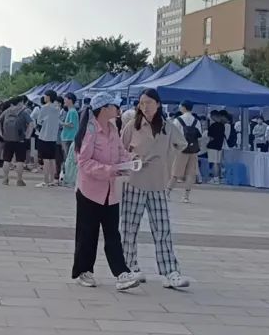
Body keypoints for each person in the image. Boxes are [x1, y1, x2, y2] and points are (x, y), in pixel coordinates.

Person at [119, 89, 190, 289]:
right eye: (142, 103)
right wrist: (132, 158)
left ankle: (170, 271)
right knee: (129, 228)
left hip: (158, 184)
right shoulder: (132, 126)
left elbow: (182, 144)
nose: (145, 107)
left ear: (158, 104)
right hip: (134, 182)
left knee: (162, 228)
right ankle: (130, 267)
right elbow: (120, 149)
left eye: (149, 102)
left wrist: (167, 159)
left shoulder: (168, 127)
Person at [70, 93, 140, 291]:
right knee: (87, 234)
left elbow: (120, 152)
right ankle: (84, 271)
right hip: (89, 191)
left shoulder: (113, 128)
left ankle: (121, 273)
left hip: (111, 191)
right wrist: (109, 170)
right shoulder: (90, 130)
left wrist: (130, 160)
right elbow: (84, 162)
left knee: (112, 233)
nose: (118, 109)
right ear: (103, 109)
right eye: (114, 106)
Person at [170, 101, 202, 204]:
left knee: (175, 173)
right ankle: (186, 196)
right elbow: (199, 137)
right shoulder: (196, 121)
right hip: (193, 150)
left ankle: (167, 192)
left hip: (180, 149)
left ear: (183, 107)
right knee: (190, 174)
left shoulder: (178, 120)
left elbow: (173, 135)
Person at [0, 97, 32, 186]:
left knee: (6, 160)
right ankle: (19, 180)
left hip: (7, 138)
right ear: (20, 103)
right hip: (20, 140)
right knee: (20, 161)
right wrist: (27, 136)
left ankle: (5, 179)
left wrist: (1, 133)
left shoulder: (6, 111)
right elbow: (31, 124)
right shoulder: (24, 112)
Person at [35, 91, 63, 187]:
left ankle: (45, 181)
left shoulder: (44, 108)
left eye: (45, 96)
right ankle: (53, 180)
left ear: (49, 97)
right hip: (53, 137)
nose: (44, 97)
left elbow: (39, 121)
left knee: (46, 160)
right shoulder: (57, 108)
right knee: (52, 159)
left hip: (44, 136)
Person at [206, 111, 226, 184]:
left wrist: (207, 143)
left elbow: (210, 137)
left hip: (212, 146)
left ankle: (215, 178)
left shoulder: (212, 126)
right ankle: (219, 177)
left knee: (214, 162)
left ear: (213, 116)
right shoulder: (222, 125)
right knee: (218, 162)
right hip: (219, 146)